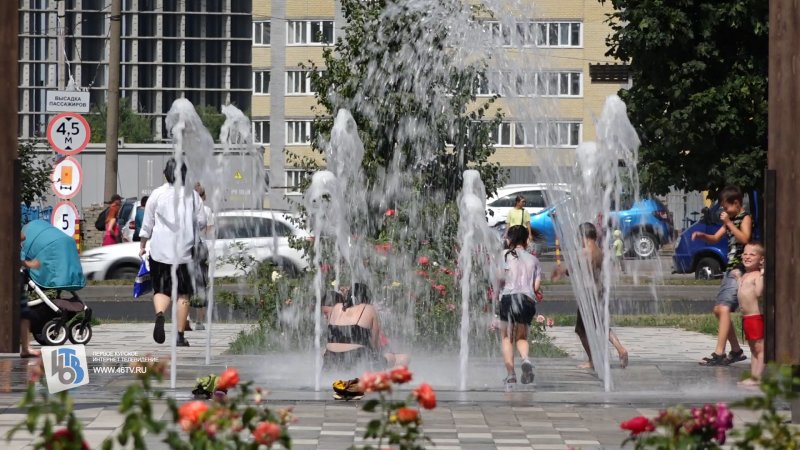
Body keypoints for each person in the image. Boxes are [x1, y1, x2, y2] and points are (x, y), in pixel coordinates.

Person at [138, 158, 206, 347]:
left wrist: (142, 245)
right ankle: (179, 336)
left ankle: (160, 315)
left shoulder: (157, 194)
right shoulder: (193, 196)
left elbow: (147, 224)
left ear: (165, 174)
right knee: (183, 294)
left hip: (160, 252)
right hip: (184, 254)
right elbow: (201, 222)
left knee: (161, 289)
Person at [552, 222, 628, 369]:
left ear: (582, 236)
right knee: (602, 324)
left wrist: (559, 272)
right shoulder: (600, 252)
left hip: (588, 294)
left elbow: (568, 270)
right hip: (601, 292)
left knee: (580, 330)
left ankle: (592, 360)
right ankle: (621, 349)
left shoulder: (583, 252)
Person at [692, 186, 752, 366]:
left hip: (740, 269)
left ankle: (719, 353)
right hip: (729, 269)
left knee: (724, 309)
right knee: (719, 310)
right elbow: (716, 238)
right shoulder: (730, 220)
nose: (724, 212)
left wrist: (730, 223)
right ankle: (736, 350)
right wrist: (702, 235)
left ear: (737, 203)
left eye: (726, 208)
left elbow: (745, 239)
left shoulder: (745, 218)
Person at [495, 225, 542, 385]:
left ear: (510, 240)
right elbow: (536, 287)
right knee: (522, 337)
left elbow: (499, 279)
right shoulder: (534, 260)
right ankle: (526, 359)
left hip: (508, 298)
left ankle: (511, 375)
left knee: (507, 337)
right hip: (527, 300)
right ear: (525, 240)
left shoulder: (503, 255)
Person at [323, 283, 408, 370]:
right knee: (400, 358)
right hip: (357, 360)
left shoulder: (336, 307)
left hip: (330, 360)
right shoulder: (369, 309)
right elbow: (374, 345)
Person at [736, 242, 765, 386]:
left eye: (752, 254)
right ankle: (754, 377)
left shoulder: (757, 275)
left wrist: (763, 273)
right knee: (753, 349)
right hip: (747, 318)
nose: (747, 257)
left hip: (755, 317)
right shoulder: (746, 274)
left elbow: (759, 293)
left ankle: (757, 377)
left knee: (760, 348)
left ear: (761, 259)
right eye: (745, 253)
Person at [190, 183, 213, 331]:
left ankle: (184, 319)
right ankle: (199, 321)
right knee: (202, 283)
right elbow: (209, 231)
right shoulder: (206, 210)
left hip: (186, 247)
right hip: (201, 247)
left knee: (184, 282)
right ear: (203, 196)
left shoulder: (184, 209)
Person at [19, 231, 41, 358]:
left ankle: (26, 348)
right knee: (23, 313)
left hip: (16, 275)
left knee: (24, 313)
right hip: (12, 277)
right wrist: (30, 264)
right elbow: (22, 236)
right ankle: (26, 348)